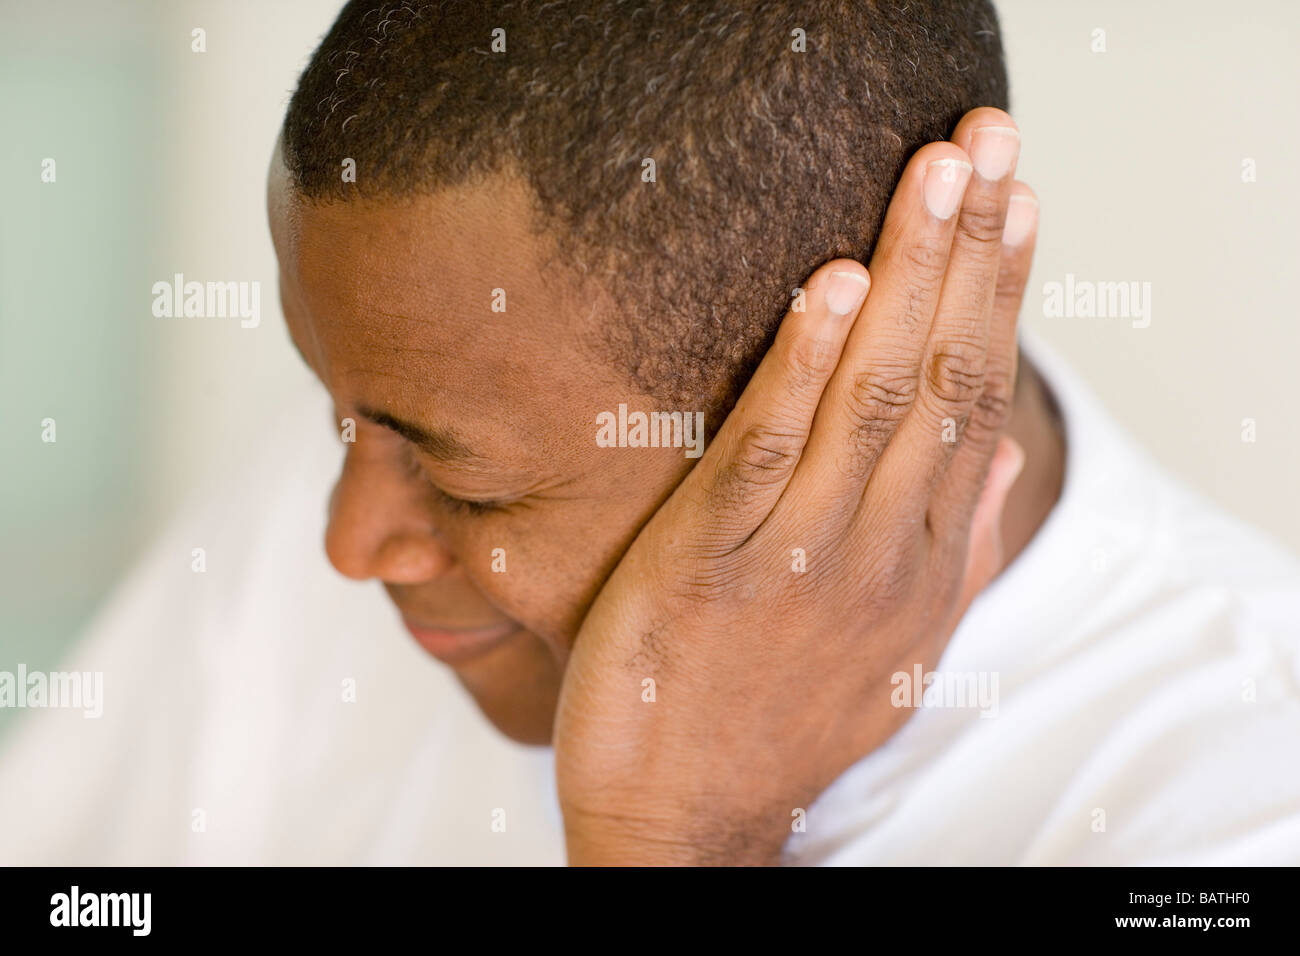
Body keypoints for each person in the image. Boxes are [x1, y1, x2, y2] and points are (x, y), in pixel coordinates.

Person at [2, 0, 1297, 865]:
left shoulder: (1237, 803)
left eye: (478, 493)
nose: (348, 542)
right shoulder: (354, 475)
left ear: (857, 393)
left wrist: (673, 837)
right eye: (335, 409)